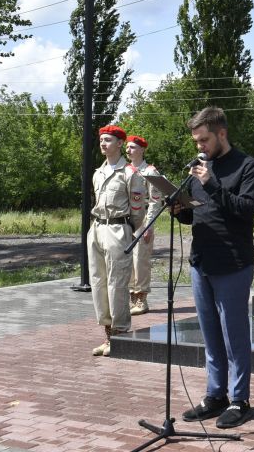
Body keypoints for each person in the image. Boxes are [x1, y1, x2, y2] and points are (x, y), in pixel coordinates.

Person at [175, 107, 254, 429]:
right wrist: (176, 207)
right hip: (201, 262)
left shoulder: (248, 166)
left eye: (204, 140)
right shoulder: (199, 169)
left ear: (221, 134)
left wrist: (211, 183)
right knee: (210, 335)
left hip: (233, 263)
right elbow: (194, 215)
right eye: (196, 141)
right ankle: (215, 395)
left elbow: (244, 210)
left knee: (233, 335)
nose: (200, 147)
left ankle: (240, 399)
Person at [88, 124, 147, 357]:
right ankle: (108, 334)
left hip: (117, 227)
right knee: (98, 282)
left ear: (120, 144)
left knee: (117, 284)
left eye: (109, 140)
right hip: (97, 227)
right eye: (102, 140)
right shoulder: (98, 172)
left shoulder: (130, 173)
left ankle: (120, 335)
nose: (104, 144)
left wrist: (126, 228)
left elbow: (138, 211)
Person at [125, 135, 164, 316]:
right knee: (126, 262)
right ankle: (131, 297)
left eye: (132, 147)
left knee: (140, 261)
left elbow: (155, 201)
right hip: (125, 222)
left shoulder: (150, 171)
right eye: (127, 147)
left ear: (141, 150)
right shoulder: (124, 170)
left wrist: (148, 226)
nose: (128, 150)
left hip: (142, 222)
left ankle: (141, 299)